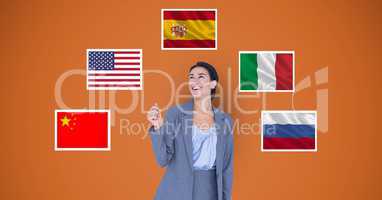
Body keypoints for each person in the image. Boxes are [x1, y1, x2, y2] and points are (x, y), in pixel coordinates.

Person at [147, 61, 234, 200]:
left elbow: (226, 168)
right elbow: (163, 159)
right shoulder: (175, 113)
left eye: (201, 77)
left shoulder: (225, 121)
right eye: (191, 77)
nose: (195, 81)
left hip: (210, 191)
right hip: (176, 191)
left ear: (213, 84)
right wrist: (157, 127)